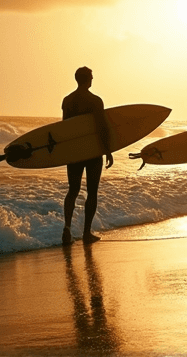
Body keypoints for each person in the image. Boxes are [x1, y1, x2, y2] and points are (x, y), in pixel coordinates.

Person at [61, 67, 113, 245]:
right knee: (92, 192)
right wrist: (107, 150)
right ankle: (86, 233)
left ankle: (67, 228)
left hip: (74, 152)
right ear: (88, 79)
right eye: (92, 77)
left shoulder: (67, 100)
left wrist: (65, 153)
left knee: (73, 190)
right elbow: (101, 127)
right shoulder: (95, 101)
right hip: (92, 151)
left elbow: (65, 128)